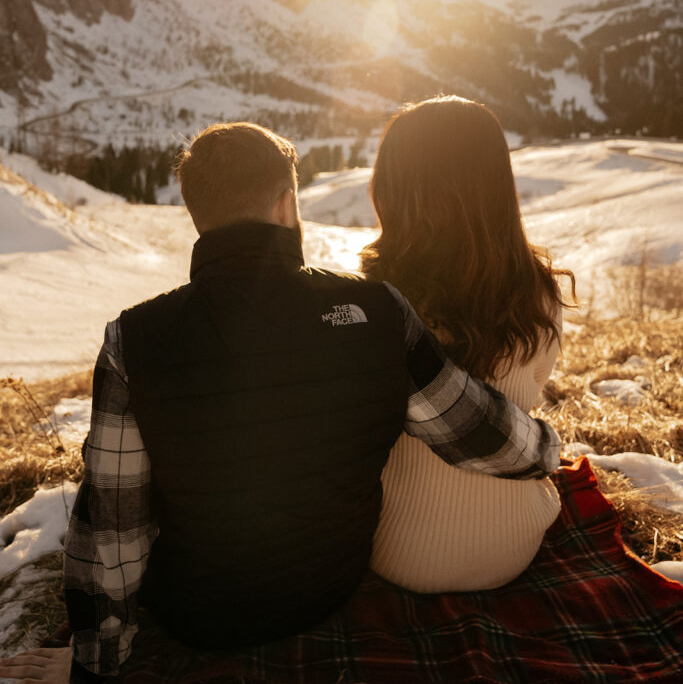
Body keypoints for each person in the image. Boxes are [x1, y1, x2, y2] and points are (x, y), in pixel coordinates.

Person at [0, 121, 561, 684]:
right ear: (287, 202)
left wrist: (96, 661)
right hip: (329, 592)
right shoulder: (376, 311)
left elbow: (112, 524)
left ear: (196, 212)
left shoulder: (134, 338)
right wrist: (545, 449)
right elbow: (470, 429)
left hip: (196, 615)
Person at [362, 96, 575, 591]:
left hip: (392, 549)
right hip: (512, 549)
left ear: (395, 188)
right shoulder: (540, 293)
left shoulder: (374, 302)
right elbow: (536, 384)